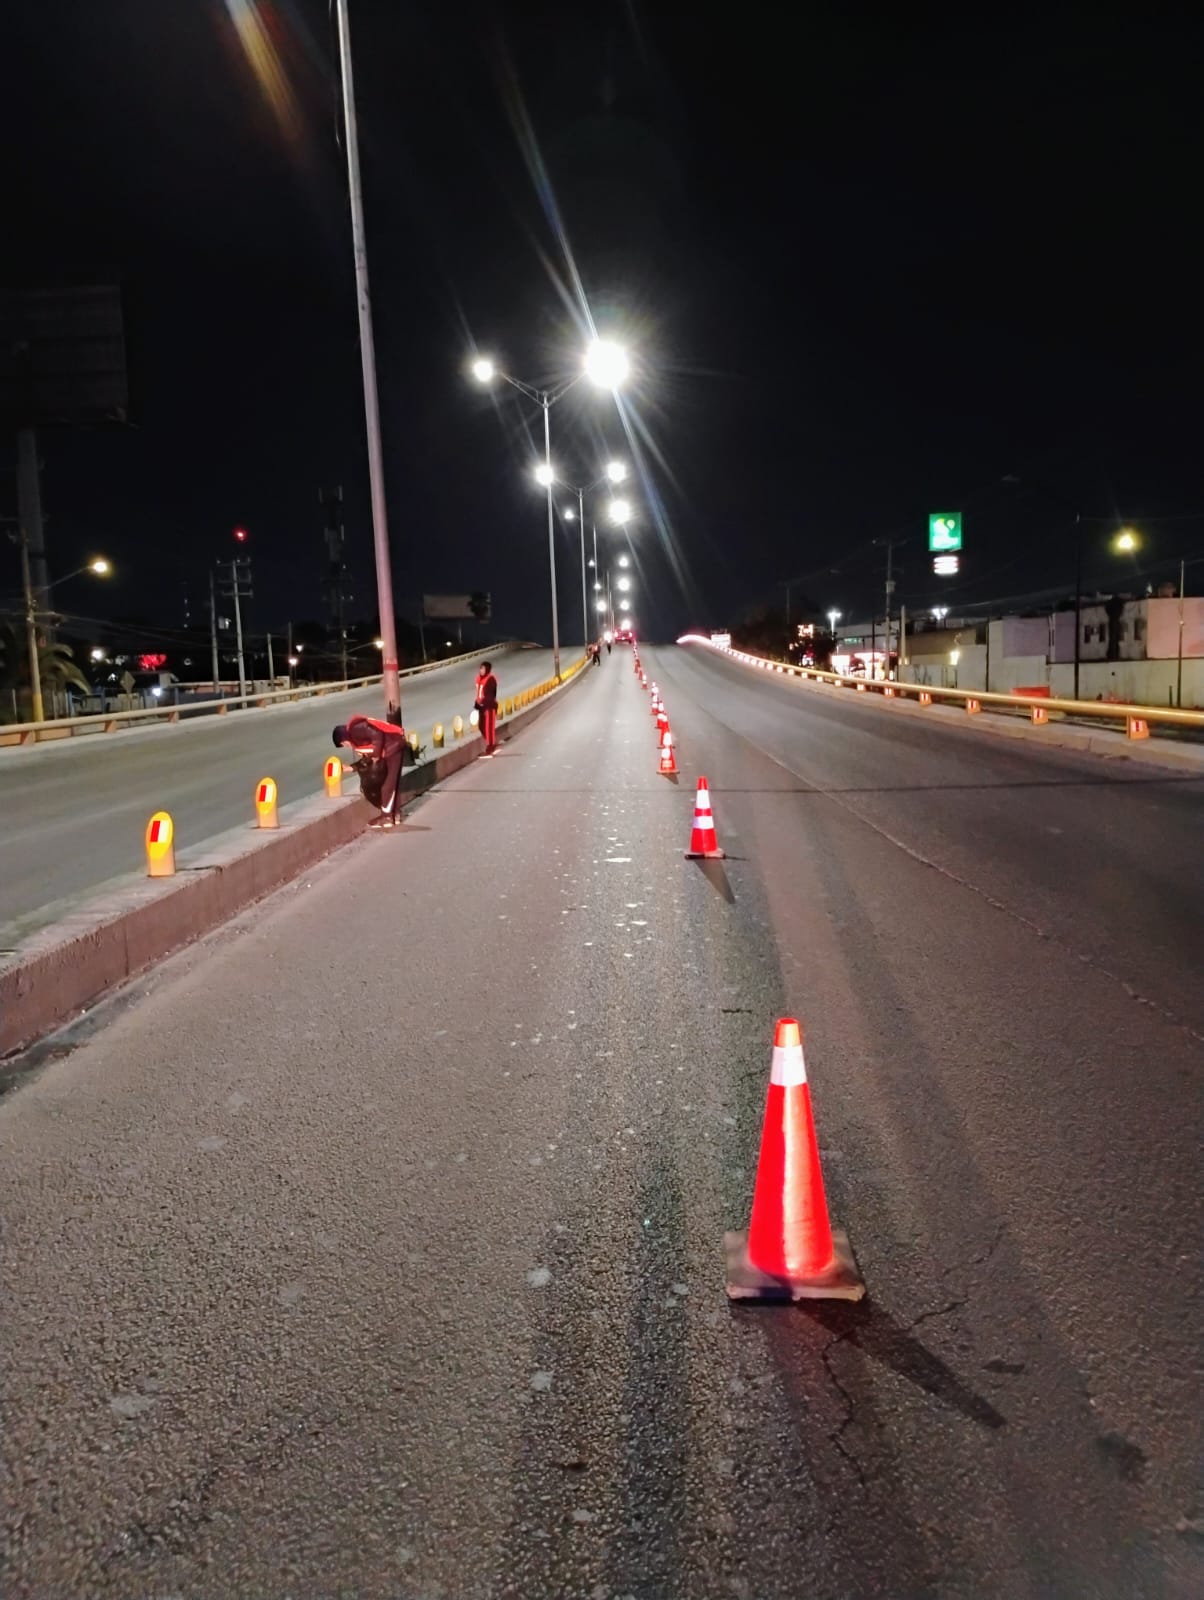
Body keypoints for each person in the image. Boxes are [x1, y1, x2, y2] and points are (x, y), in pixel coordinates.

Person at [333, 714, 408, 829]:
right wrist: (351, 768)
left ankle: (387, 817)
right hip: (393, 748)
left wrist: (377, 756)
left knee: (388, 785)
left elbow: (377, 734)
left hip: (394, 748)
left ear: (343, 738)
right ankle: (395, 815)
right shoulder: (356, 739)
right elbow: (367, 758)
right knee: (392, 784)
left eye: (343, 744)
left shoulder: (355, 728)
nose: (346, 746)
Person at [474, 660, 499, 756]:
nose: (481, 670)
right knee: (481, 726)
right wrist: (477, 703)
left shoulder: (491, 679)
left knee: (489, 727)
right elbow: (479, 693)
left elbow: (491, 695)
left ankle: (490, 745)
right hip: (481, 706)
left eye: (483, 668)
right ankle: (491, 743)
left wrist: (484, 704)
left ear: (487, 669)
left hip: (489, 706)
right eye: (480, 668)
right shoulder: (479, 679)